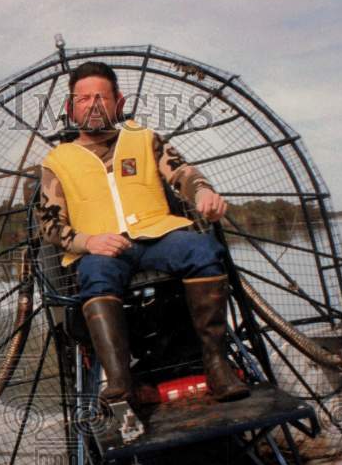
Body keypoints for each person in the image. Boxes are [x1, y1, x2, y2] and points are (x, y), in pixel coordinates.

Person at [37, 60, 249, 408]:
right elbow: (50, 224)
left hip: (159, 236)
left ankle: (216, 365)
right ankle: (120, 382)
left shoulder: (145, 139)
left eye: (102, 98)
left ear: (118, 103)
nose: (93, 105)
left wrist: (203, 193)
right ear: (70, 108)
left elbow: (183, 173)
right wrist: (89, 242)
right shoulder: (56, 162)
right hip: (103, 248)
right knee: (94, 274)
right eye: (84, 99)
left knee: (202, 250)